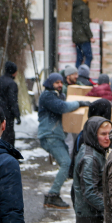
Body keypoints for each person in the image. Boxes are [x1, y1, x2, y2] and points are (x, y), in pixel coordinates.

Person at [69, 98, 112, 223]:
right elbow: (88, 184)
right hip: (85, 195)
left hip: (85, 191)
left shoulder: (92, 133)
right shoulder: (87, 139)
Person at [38, 73, 90, 209]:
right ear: (50, 83)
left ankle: (54, 194)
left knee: (66, 162)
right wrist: (80, 103)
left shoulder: (54, 95)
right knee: (66, 163)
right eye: (57, 83)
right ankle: (52, 195)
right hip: (50, 135)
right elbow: (62, 107)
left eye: (61, 82)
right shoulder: (47, 96)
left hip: (55, 135)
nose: (60, 85)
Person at [0, 61, 21, 147]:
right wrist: (17, 115)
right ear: (14, 72)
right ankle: (8, 154)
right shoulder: (12, 84)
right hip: (7, 114)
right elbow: (13, 100)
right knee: (8, 135)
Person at [73, 0, 95, 67]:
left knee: (79, 58)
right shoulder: (84, 8)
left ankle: (76, 76)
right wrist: (91, 36)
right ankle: (83, 75)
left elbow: (79, 20)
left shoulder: (75, 7)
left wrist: (91, 20)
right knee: (89, 57)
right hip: (83, 37)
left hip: (77, 37)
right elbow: (85, 23)